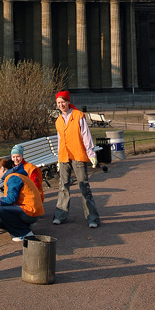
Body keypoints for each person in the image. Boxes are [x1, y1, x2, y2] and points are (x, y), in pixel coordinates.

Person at [53, 90, 100, 228]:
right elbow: (60, 140)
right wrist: (58, 158)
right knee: (63, 186)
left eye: (63, 102)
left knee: (83, 185)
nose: (61, 105)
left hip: (78, 154)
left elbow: (86, 135)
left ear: (68, 102)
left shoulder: (78, 116)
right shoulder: (59, 120)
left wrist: (91, 154)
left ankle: (93, 218)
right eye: (58, 103)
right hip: (64, 156)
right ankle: (60, 215)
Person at [0, 157, 44, 242]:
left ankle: (24, 233)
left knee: (2, 209)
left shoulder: (12, 178)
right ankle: (25, 226)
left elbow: (11, 199)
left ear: (3, 168)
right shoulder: (16, 175)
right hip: (32, 210)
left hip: (30, 211)